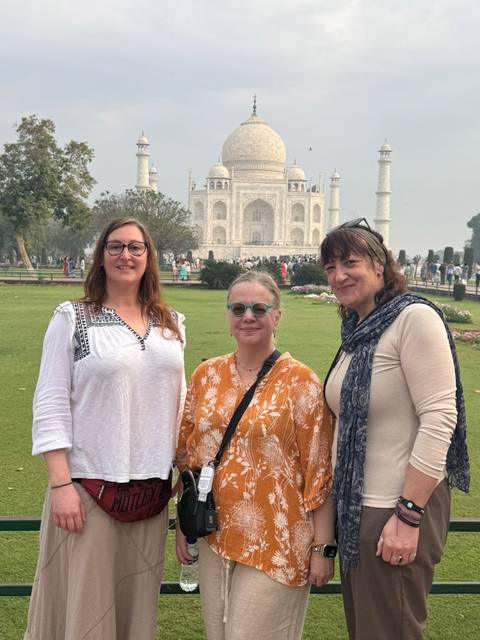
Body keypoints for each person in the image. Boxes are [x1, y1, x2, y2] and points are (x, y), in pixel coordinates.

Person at [25, 218, 186, 640]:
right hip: (87, 489)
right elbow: (51, 401)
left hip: (150, 493)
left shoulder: (171, 324)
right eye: (115, 247)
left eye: (136, 247)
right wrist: (61, 485)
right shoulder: (73, 318)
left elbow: (179, 405)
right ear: (101, 256)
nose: (125, 255)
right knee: (87, 608)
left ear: (149, 257)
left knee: (136, 606)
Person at [320, 218, 470, 640]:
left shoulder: (413, 319)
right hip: (358, 508)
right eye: (330, 267)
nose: (339, 275)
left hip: (398, 507)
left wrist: (408, 514)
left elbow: (440, 417)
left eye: (351, 262)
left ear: (382, 266)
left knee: (392, 630)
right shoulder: (358, 333)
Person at [175, 271, 334, 640]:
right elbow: (189, 459)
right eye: (239, 308)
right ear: (228, 316)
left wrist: (323, 548)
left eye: (259, 308)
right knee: (219, 633)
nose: (248, 316)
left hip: (278, 537)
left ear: (276, 316)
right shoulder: (206, 376)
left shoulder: (301, 382)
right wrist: (185, 524)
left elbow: (319, 469)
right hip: (215, 532)